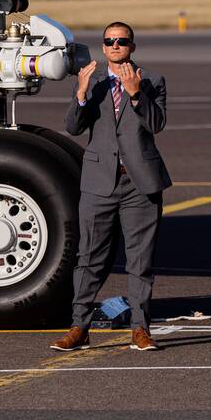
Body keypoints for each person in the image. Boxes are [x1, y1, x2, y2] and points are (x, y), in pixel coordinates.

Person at [50, 21, 171, 352]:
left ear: (132, 46)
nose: (116, 45)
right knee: (89, 257)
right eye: (110, 41)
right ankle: (79, 327)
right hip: (99, 183)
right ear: (103, 48)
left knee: (140, 261)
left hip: (140, 184)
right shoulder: (95, 83)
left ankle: (140, 329)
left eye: (122, 41)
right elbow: (73, 127)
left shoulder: (152, 82)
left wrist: (136, 94)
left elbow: (156, 123)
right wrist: (80, 93)